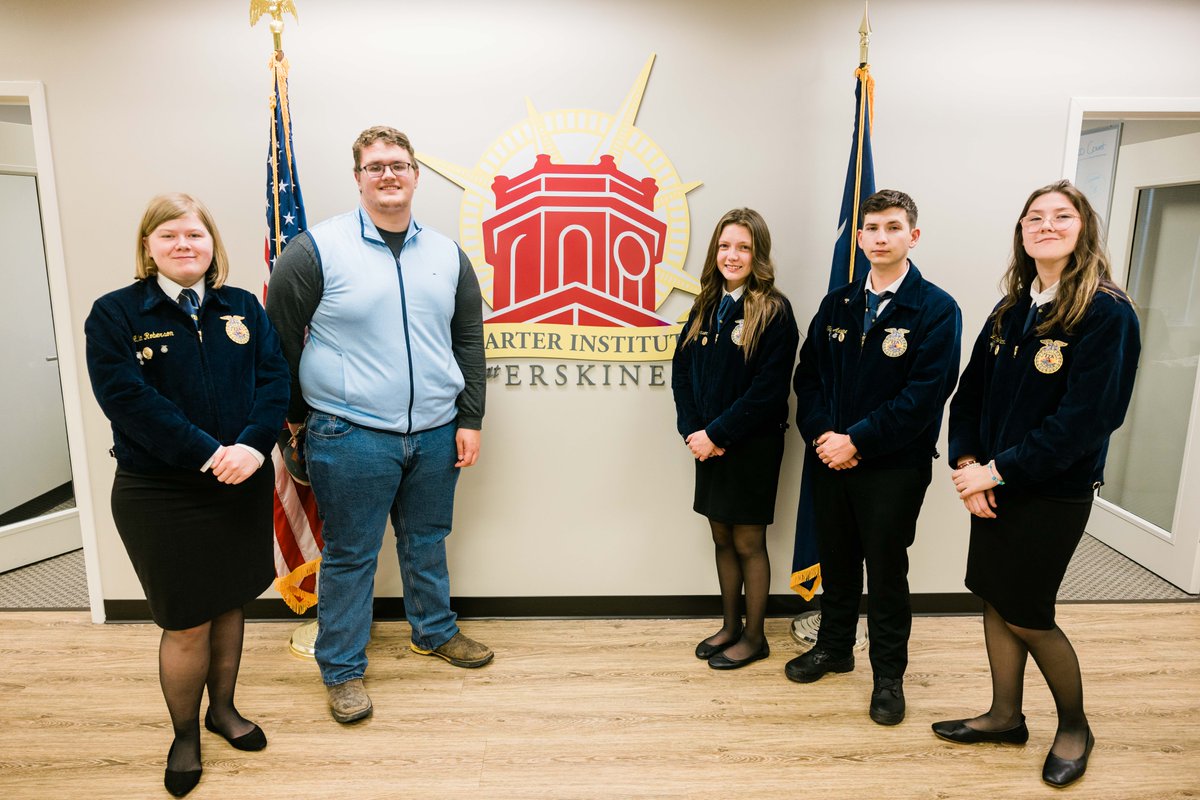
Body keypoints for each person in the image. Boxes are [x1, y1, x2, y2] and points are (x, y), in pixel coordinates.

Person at [266, 125, 487, 724]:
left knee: (426, 539)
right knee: (351, 555)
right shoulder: (315, 250)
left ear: (416, 174)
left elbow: (467, 338)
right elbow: (279, 343)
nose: (389, 175)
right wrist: (294, 424)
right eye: (375, 166)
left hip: (437, 429)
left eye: (399, 164)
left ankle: (434, 632)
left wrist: (471, 418)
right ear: (358, 177)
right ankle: (340, 668)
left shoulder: (447, 254)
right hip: (350, 433)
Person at [936, 180, 1140, 787]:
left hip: (1051, 489)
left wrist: (992, 472)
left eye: (1060, 216)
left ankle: (1075, 725)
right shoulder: (1011, 309)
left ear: (1083, 230)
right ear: (1021, 233)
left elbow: (1086, 420)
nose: (1045, 225)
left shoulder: (1105, 312)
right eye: (1033, 218)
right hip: (992, 484)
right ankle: (1005, 715)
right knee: (996, 597)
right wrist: (969, 466)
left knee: (1028, 611)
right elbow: (968, 395)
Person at [85, 193, 289, 797]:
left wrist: (253, 448)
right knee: (185, 621)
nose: (183, 245)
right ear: (148, 247)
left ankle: (222, 711)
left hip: (241, 483)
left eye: (195, 235)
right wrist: (208, 453)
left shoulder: (244, 307)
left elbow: (274, 380)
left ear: (212, 244)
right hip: (161, 493)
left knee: (230, 603)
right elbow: (127, 400)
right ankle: (184, 734)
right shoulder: (116, 313)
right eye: (169, 235)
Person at [788, 189, 961, 725]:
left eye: (892, 227)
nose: (879, 237)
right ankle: (835, 649)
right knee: (838, 564)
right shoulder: (838, 302)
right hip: (829, 461)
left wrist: (856, 441)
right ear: (859, 236)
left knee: (886, 574)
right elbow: (808, 378)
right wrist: (824, 438)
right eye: (871, 228)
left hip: (893, 468)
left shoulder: (936, 309)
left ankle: (888, 676)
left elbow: (924, 396)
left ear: (913, 235)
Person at [672, 208, 799, 670]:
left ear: (757, 254)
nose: (733, 255)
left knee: (748, 541)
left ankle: (755, 636)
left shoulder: (774, 311)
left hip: (751, 447)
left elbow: (768, 391)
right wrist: (693, 431)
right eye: (725, 246)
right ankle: (729, 625)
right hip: (706, 444)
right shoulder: (705, 304)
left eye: (743, 247)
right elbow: (681, 371)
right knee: (720, 536)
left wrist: (718, 434)